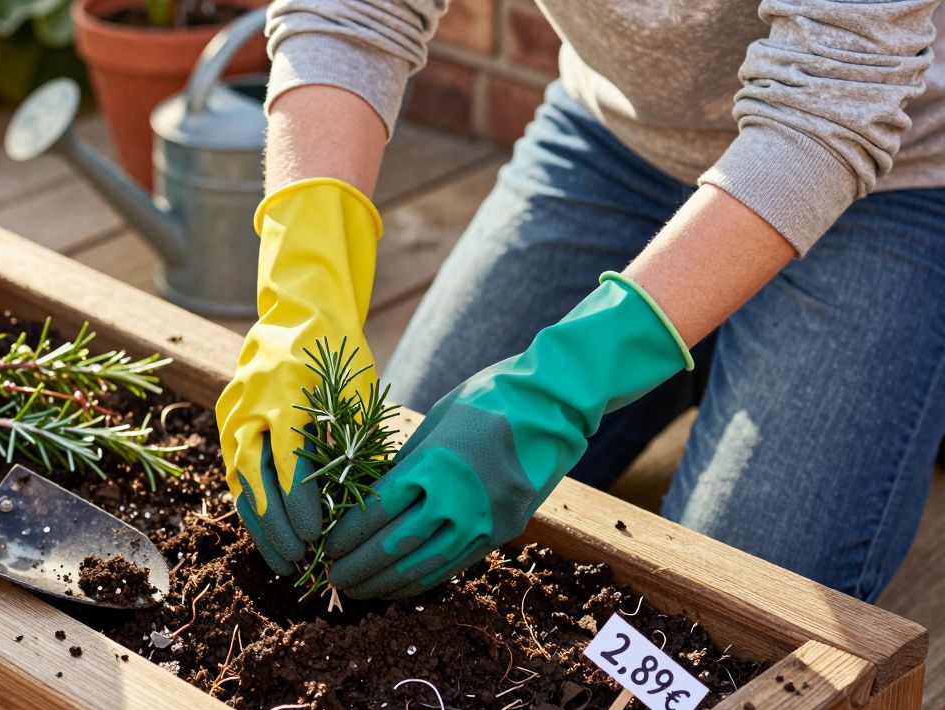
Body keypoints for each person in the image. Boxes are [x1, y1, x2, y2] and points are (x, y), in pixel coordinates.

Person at [215, 0, 945, 603]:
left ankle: (709, 337)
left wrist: (568, 381)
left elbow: (829, 101)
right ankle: (694, 340)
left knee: (737, 595)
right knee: (401, 495)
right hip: (616, 141)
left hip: (887, 183)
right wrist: (303, 295)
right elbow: (349, 13)